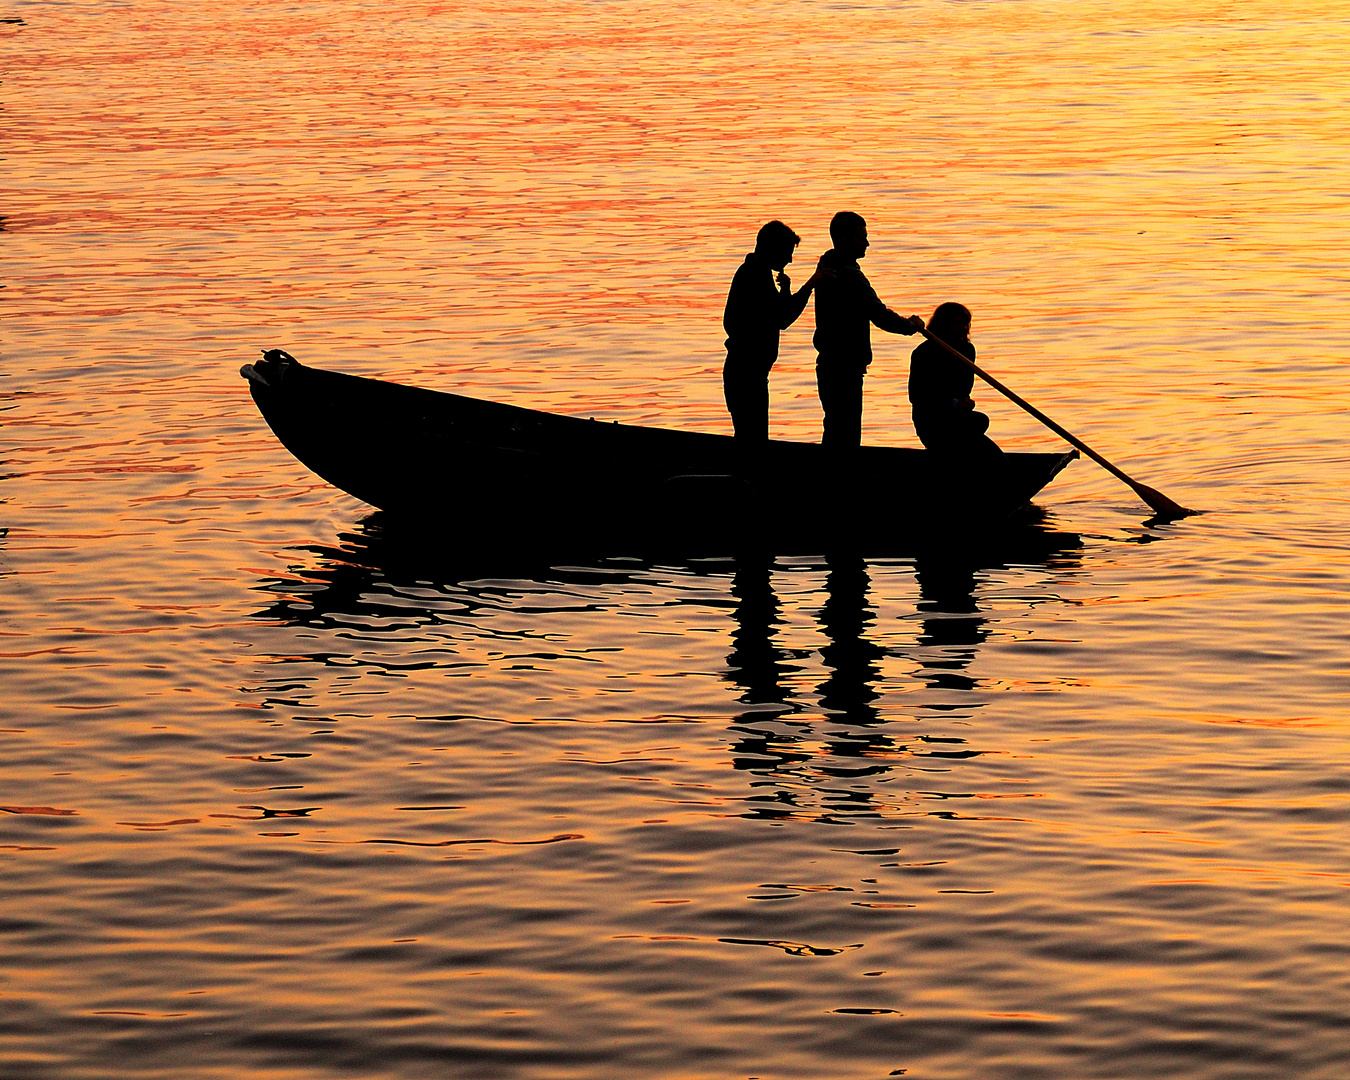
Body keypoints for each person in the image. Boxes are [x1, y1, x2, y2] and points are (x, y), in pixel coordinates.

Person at [812, 211, 924, 451]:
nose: (867, 243)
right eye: (861, 237)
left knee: (835, 429)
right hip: (844, 367)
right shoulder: (849, 276)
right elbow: (879, 314)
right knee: (845, 434)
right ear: (844, 240)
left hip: (831, 364)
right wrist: (911, 326)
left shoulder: (827, 266)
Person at [722, 220, 823, 444]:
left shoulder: (757, 273)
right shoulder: (755, 276)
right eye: (787, 252)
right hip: (746, 375)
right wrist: (809, 286)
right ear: (774, 249)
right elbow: (782, 318)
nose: (789, 259)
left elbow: (778, 313)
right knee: (753, 440)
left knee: (750, 438)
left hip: (749, 373)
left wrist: (786, 290)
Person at [908, 301, 1002, 458]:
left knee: (980, 421)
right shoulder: (924, 353)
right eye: (958, 323)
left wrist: (963, 403)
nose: (964, 328)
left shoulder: (967, 350)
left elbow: (964, 388)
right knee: (977, 428)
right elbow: (917, 396)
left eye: (966, 324)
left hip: (956, 419)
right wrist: (954, 404)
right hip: (932, 421)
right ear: (943, 325)